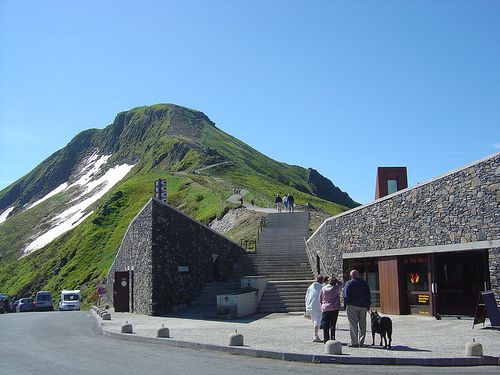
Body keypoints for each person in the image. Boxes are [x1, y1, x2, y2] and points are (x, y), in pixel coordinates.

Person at [343, 269, 371, 347]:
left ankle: (354, 342)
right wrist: (368, 304)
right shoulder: (364, 283)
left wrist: (347, 304)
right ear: (358, 275)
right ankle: (361, 342)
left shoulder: (348, 283)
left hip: (352, 306)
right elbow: (368, 294)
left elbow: (346, 295)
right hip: (363, 306)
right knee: (363, 324)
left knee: (353, 324)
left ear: (351, 276)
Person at [320, 276, 342, 343]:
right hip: (334, 308)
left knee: (325, 324)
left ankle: (326, 338)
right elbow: (341, 284)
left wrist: (322, 304)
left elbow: (320, 298)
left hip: (325, 307)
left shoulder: (323, 288)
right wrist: (337, 281)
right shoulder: (336, 288)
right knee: (333, 324)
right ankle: (333, 337)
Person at [305, 274, 324, 342]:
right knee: (317, 321)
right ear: (322, 280)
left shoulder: (310, 287)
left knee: (314, 321)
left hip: (310, 306)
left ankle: (315, 335)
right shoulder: (322, 287)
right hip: (318, 306)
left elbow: (306, 297)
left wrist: (306, 306)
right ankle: (315, 336)